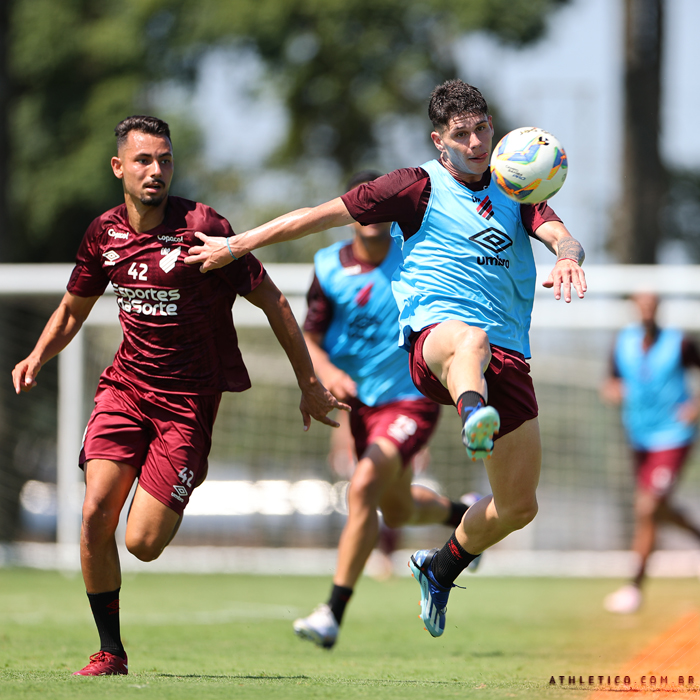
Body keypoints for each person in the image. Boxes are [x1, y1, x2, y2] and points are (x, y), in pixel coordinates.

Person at [185, 79, 588, 638]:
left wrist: (568, 256)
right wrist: (236, 244)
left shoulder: (516, 187)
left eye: (482, 129)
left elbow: (560, 235)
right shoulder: (412, 186)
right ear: (438, 140)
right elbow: (314, 216)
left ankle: (440, 565)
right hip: (436, 344)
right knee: (468, 339)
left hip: (508, 359)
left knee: (519, 507)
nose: (475, 142)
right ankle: (474, 413)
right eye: (461, 134)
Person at [12, 115, 346, 675]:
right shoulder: (104, 234)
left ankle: (176, 474)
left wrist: (309, 383)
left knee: (142, 542)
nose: (156, 171)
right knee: (95, 511)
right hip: (125, 388)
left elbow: (274, 302)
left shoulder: (202, 227)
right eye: (143, 160)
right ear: (119, 167)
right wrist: (38, 355)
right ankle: (109, 652)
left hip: (188, 402)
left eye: (164, 160)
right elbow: (74, 310)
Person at [292, 170, 479, 649]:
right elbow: (309, 337)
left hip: (412, 399)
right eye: (364, 209)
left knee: (364, 486)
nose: (373, 219)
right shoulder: (328, 267)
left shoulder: (415, 258)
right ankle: (464, 516)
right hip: (361, 407)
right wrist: (324, 373)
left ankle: (331, 613)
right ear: (352, 213)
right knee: (393, 509)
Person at [601, 292, 700, 614]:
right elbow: (611, 381)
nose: (646, 308)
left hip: (673, 436)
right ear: (634, 307)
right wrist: (614, 390)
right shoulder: (623, 343)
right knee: (656, 509)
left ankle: (634, 588)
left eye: (651, 302)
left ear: (658, 307)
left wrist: (695, 407)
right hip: (639, 438)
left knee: (647, 508)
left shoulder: (679, 343)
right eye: (640, 302)